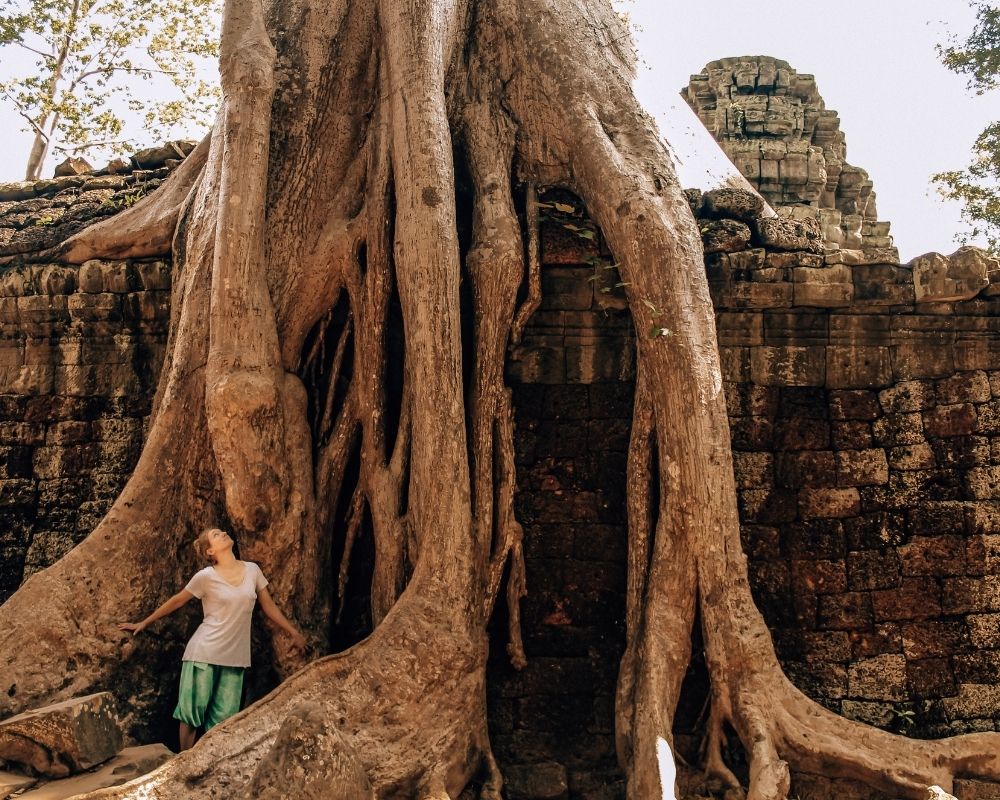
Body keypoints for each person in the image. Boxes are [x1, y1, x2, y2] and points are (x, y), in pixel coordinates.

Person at [119, 527, 307, 750]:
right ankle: (183, 764)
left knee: (224, 722)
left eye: (221, 532)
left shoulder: (252, 570)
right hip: (204, 653)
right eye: (216, 535)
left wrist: (293, 632)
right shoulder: (205, 577)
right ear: (210, 551)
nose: (223, 533)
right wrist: (144, 622)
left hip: (235, 659)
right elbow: (177, 600)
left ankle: (211, 766)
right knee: (191, 712)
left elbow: (268, 606)